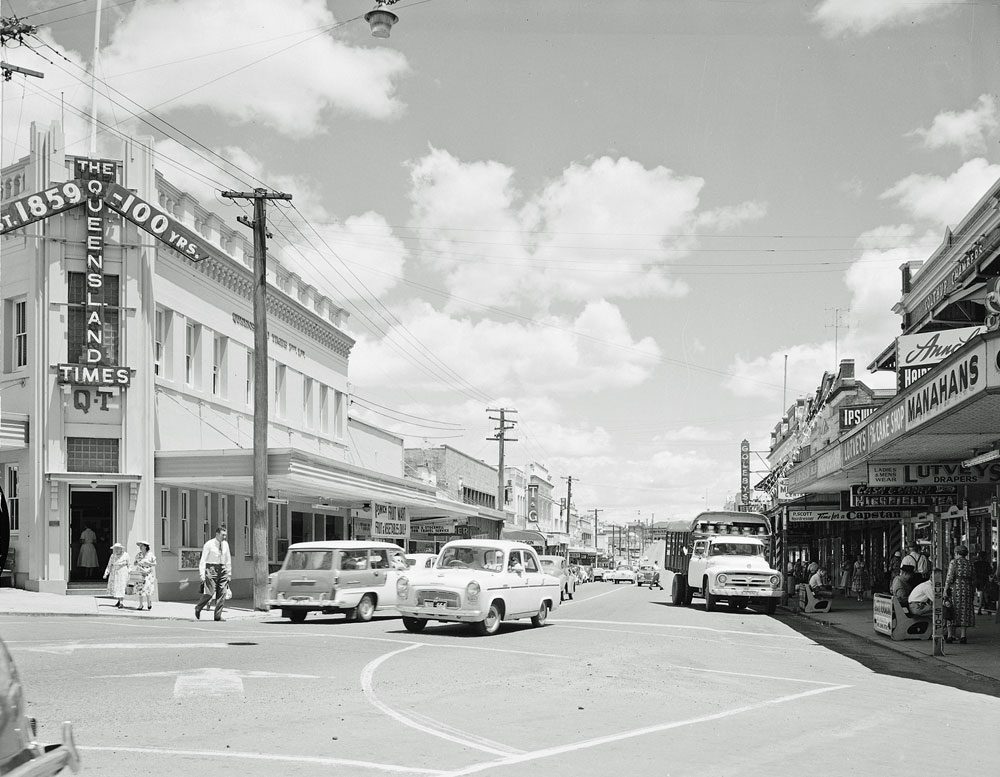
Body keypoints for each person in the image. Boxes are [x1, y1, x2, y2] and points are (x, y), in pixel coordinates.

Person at [195, 526, 232, 622]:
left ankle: (217, 615)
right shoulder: (209, 544)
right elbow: (203, 560)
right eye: (223, 535)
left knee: (222, 593)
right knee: (210, 593)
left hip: (223, 569)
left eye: (225, 535)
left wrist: (229, 573)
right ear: (217, 534)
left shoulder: (225, 544)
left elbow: (228, 558)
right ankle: (198, 607)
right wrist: (202, 574)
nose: (224, 537)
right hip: (211, 568)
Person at [945, 545, 975, 644]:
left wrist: (945, 589)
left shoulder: (954, 562)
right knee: (964, 612)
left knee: (951, 610)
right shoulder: (970, 563)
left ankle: (949, 636)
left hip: (955, 589)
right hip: (967, 589)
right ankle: (963, 636)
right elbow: (973, 578)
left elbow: (950, 577)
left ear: (957, 553)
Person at [103, 542, 131, 609]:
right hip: (115, 573)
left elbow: (129, 565)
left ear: (121, 549)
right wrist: (106, 573)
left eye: (118, 549)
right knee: (117, 587)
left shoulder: (126, 555)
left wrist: (130, 572)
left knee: (121, 587)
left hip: (123, 573)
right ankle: (119, 600)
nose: (116, 550)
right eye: (115, 549)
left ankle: (121, 602)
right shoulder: (113, 556)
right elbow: (109, 565)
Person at [132, 540, 158, 611]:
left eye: (142, 546)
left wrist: (148, 563)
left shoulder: (150, 554)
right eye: (140, 546)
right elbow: (134, 563)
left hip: (147, 573)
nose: (140, 547)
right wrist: (136, 563)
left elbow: (155, 564)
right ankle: (141, 604)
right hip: (140, 573)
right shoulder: (138, 555)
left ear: (146, 547)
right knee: (140, 588)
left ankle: (149, 603)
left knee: (147, 588)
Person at [973, 550, 990, 615]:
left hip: (977, 580)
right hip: (984, 580)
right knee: (984, 593)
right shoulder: (986, 564)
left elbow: (973, 572)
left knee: (980, 593)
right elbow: (990, 571)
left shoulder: (976, 564)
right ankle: (986, 607)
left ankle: (981, 607)